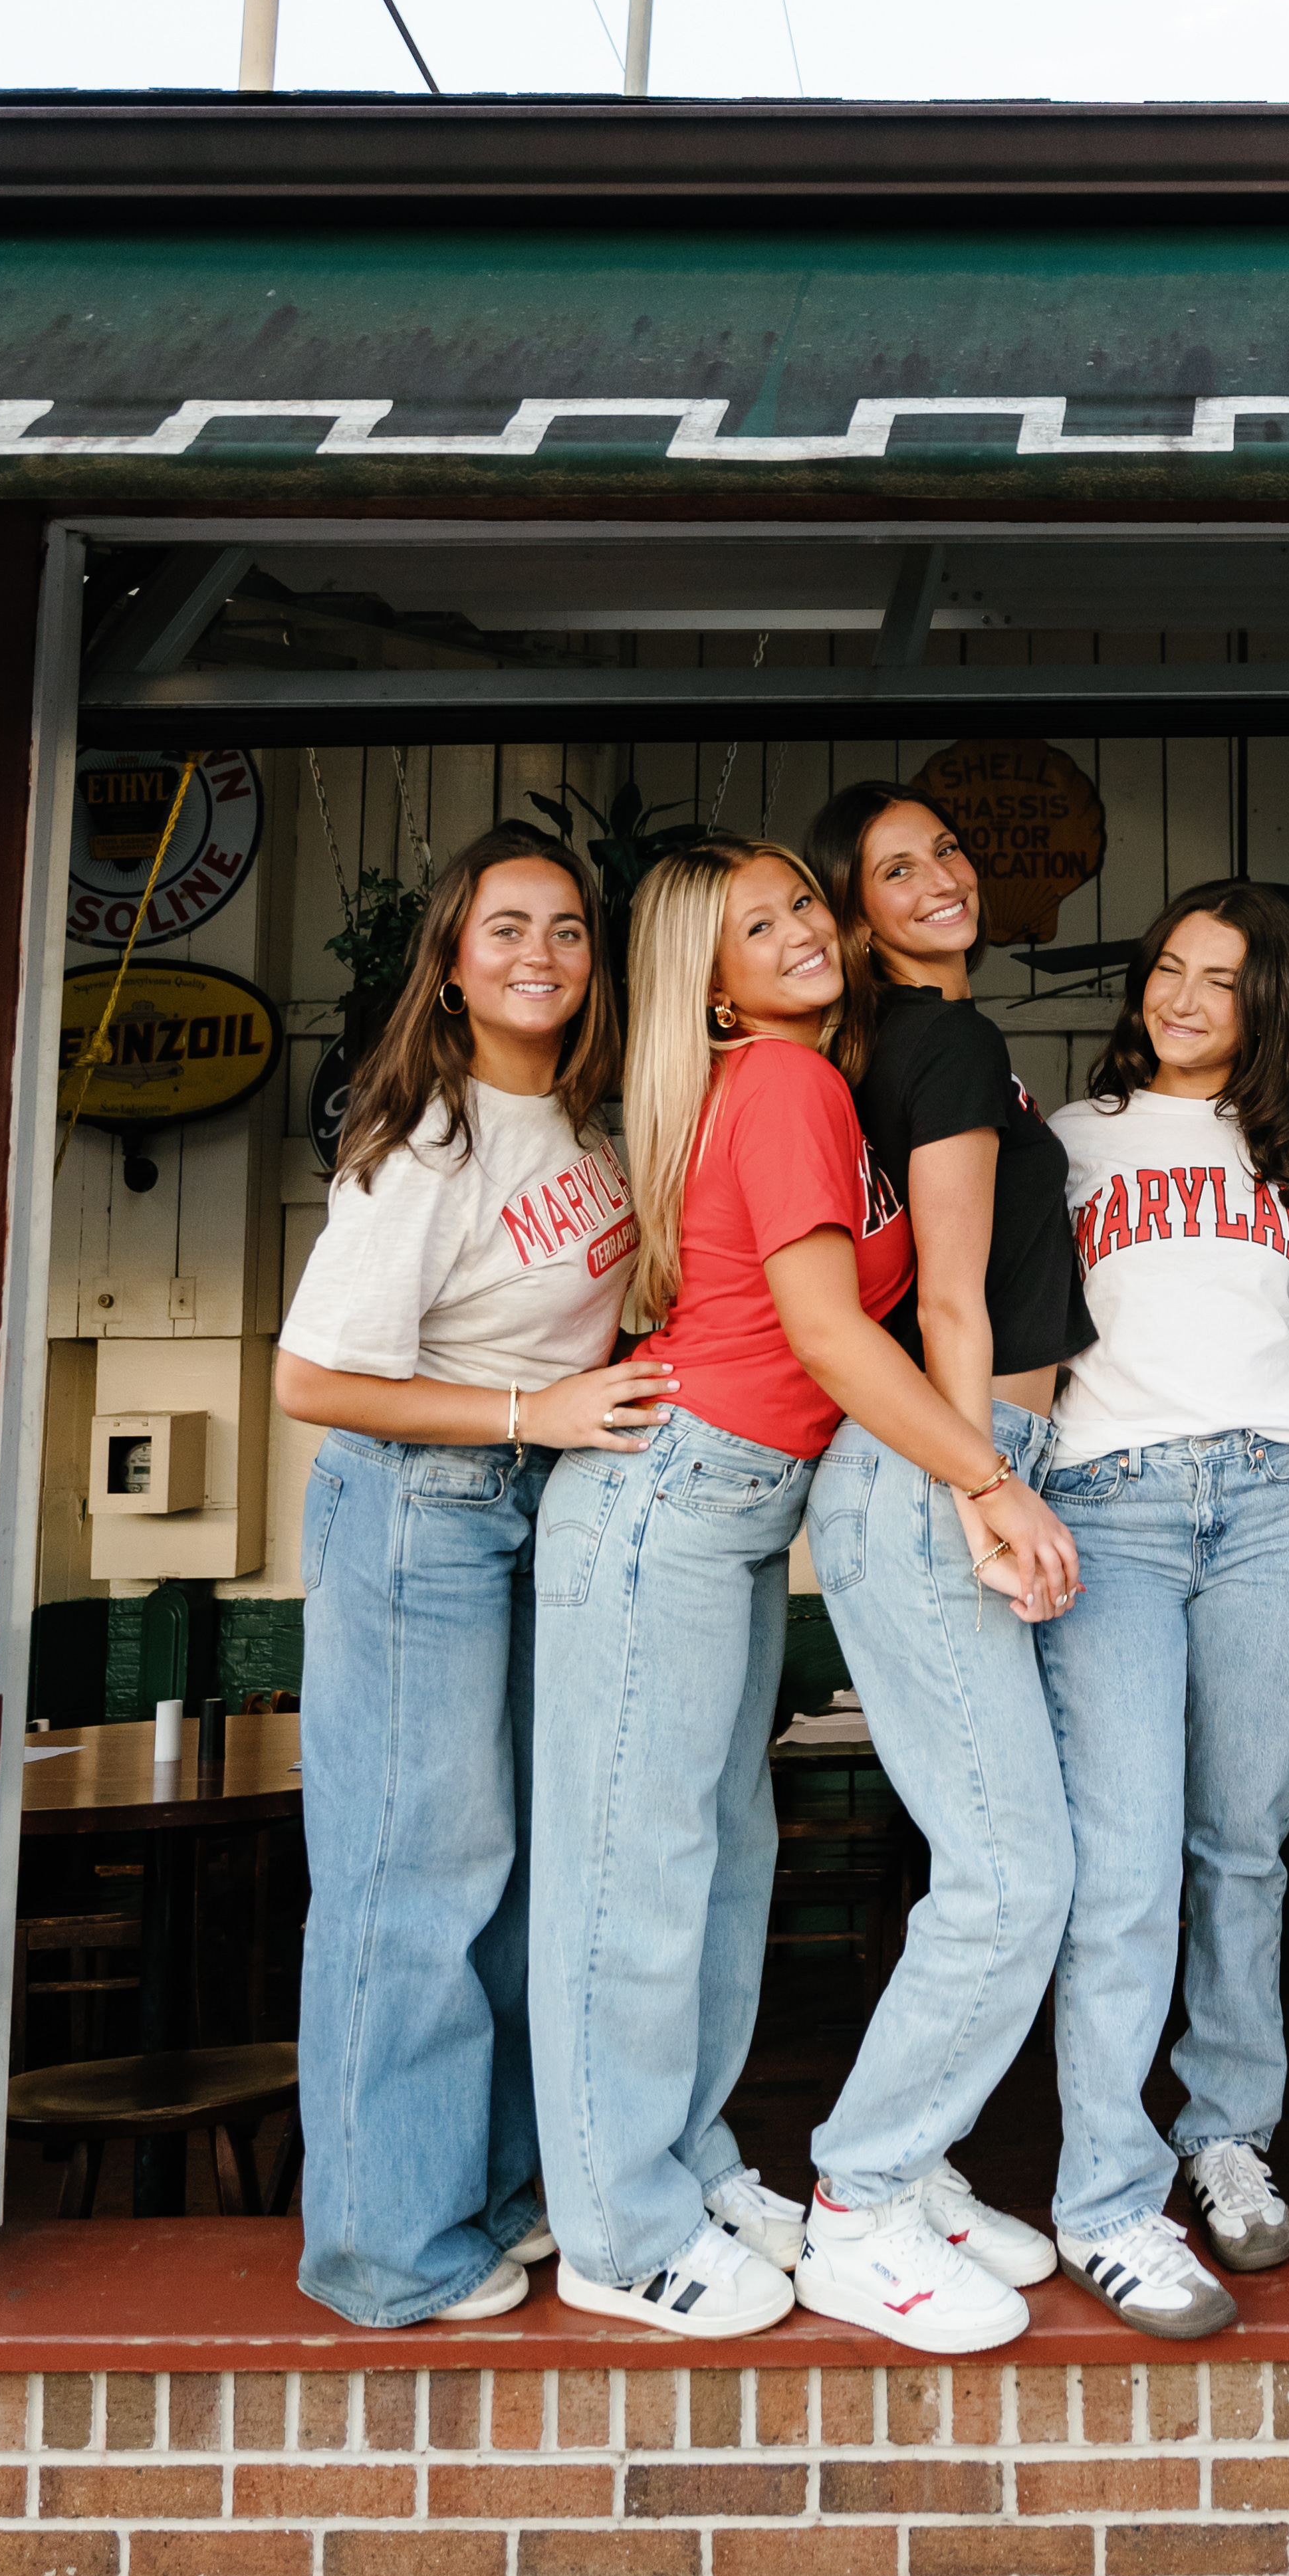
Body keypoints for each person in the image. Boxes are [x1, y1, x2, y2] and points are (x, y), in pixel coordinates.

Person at [529, 841, 1076, 2342]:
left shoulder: (811, 1085)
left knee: (715, 1866)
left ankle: (693, 2166)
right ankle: (615, 2229)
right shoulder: (782, 1086)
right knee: (630, 1879)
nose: (797, 936)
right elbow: (831, 1341)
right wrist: (981, 1478)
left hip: (731, 1511)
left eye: (797, 908)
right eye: (751, 927)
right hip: (672, 1501)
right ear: (706, 987)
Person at [277, 825, 663, 2330]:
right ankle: (385, 2251)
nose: (539, 956)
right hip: (416, 1515)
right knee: (407, 1886)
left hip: (531, 1506)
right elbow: (313, 1379)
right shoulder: (423, 1147)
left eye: (566, 931)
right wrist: (529, 1416)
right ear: (451, 958)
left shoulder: (586, 1133)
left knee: (510, 1885)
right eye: (507, 929)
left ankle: (489, 2196)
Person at [792, 785, 1092, 2355]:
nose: (938, 881)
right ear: (851, 916)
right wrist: (985, 1487)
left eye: (947, 852)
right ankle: (861, 2193)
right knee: (1008, 1874)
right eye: (892, 870)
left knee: (992, 1858)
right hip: (941, 1468)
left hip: (935, 1470)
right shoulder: (947, 1048)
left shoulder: (903, 1053)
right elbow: (955, 1306)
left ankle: (920, 2164)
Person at [1035, 883, 1289, 2337]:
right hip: (1114, 1509)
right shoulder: (1068, 1142)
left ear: (1265, 1004)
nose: (1180, 998)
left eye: (1218, 981)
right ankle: (1104, 2185)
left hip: (1277, 1501)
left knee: (1247, 1846)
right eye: (1167, 970)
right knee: (1125, 1860)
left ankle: (1227, 2130)